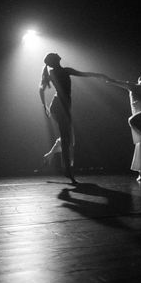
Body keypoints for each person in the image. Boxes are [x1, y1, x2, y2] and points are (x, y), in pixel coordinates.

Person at [39, 52, 108, 184]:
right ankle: (67, 171)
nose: (60, 57)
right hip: (60, 107)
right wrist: (44, 105)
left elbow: (84, 74)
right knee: (66, 140)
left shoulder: (59, 72)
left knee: (69, 139)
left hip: (61, 106)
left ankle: (54, 158)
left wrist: (98, 75)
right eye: (57, 57)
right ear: (56, 60)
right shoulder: (58, 72)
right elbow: (41, 89)